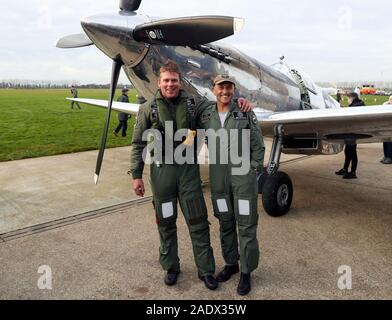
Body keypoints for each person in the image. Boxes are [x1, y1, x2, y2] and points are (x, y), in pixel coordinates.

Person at [130, 61, 251, 291]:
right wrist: (136, 175)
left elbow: (221, 102)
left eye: (174, 80)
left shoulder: (195, 104)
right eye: (166, 80)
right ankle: (171, 267)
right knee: (165, 222)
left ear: (180, 82)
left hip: (188, 174)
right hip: (161, 174)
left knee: (198, 223)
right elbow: (137, 143)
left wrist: (239, 101)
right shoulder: (147, 109)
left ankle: (206, 270)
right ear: (159, 82)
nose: (170, 84)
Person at [197, 75, 265, 295]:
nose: (224, 91)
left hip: (242, 179)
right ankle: (231, 264)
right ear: (213, 89)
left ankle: (246, 272)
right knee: (225, 222)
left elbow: (258, 144)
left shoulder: (244, 111)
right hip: (218, 180)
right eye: (220, 87)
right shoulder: (206, 114)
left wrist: (252, 168)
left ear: (234, 90)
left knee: (245, 225)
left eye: (229, 87)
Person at [335, 92, 365, 179]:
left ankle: (353, 173)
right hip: (351, 133)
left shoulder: (355, 107)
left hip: (353, 133)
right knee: (348, 152)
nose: (347, 101)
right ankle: (345, 169)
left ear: (351, 98)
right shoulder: (357, 105)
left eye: (348, 99)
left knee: (352, 153)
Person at [381, 95, 392, 164]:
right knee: (385, 142)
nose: (390, 101)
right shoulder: (386, 105)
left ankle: (389, 157)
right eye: (390, 99)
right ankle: (385, 156)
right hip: (386, 127)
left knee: (389, 143)